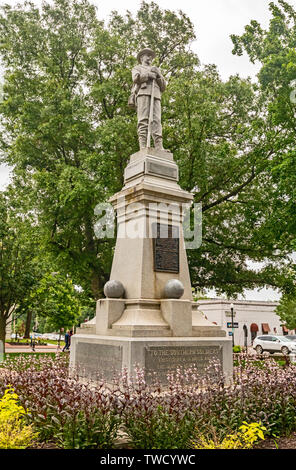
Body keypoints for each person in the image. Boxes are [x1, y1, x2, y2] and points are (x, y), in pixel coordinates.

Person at [130, 48, 167, 150]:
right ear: (142, 57)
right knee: (143, 120)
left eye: (151, 56)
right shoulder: (137, 68)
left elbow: (163, 87)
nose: (150, 57)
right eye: (148, 55)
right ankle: (142, 146)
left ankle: (159, 146)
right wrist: (148, 75)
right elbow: (135, 78)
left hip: (156, 95)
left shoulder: (156, 69)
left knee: (157, 120)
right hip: (143, 93)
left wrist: (158, 75)